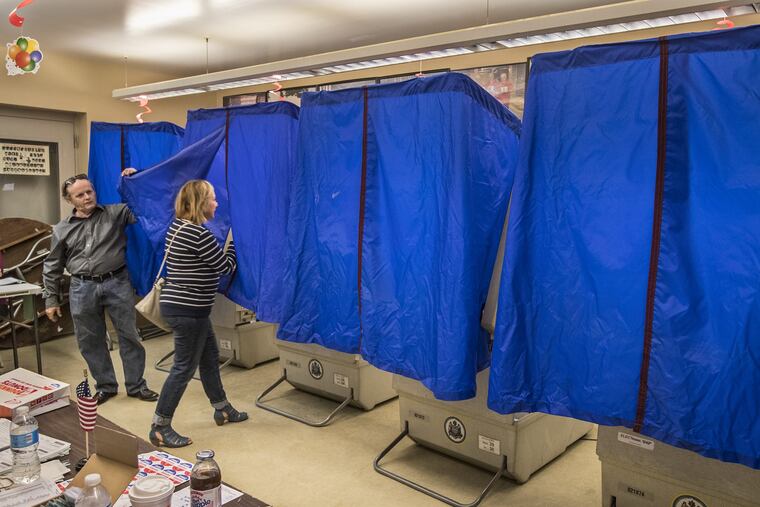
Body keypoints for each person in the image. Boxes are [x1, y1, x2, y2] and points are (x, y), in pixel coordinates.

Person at [42, 171, 158, 405]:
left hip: (116, 282)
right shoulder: (61, 229)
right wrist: (51, 300)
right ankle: (106, 386)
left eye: (89, 191)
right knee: (90, 340)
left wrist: (133, 179)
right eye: (80, 195)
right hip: (81, 287)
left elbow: (145, 207)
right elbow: (52, 265)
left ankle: (136, 385)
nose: (87, 197)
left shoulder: (116, 213)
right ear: (69, 200)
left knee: (129, 335)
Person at [149, 179, 247, 448]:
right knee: (183, 367)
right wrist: (239, 242)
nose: (217, 203)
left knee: (209, 357)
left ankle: (222, 407)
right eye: (213, 198)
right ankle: (160, 426)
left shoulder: (177, 227)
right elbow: (224, 266)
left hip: (190, 309)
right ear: (200, 203)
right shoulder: (197, 233)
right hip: (188, 310)